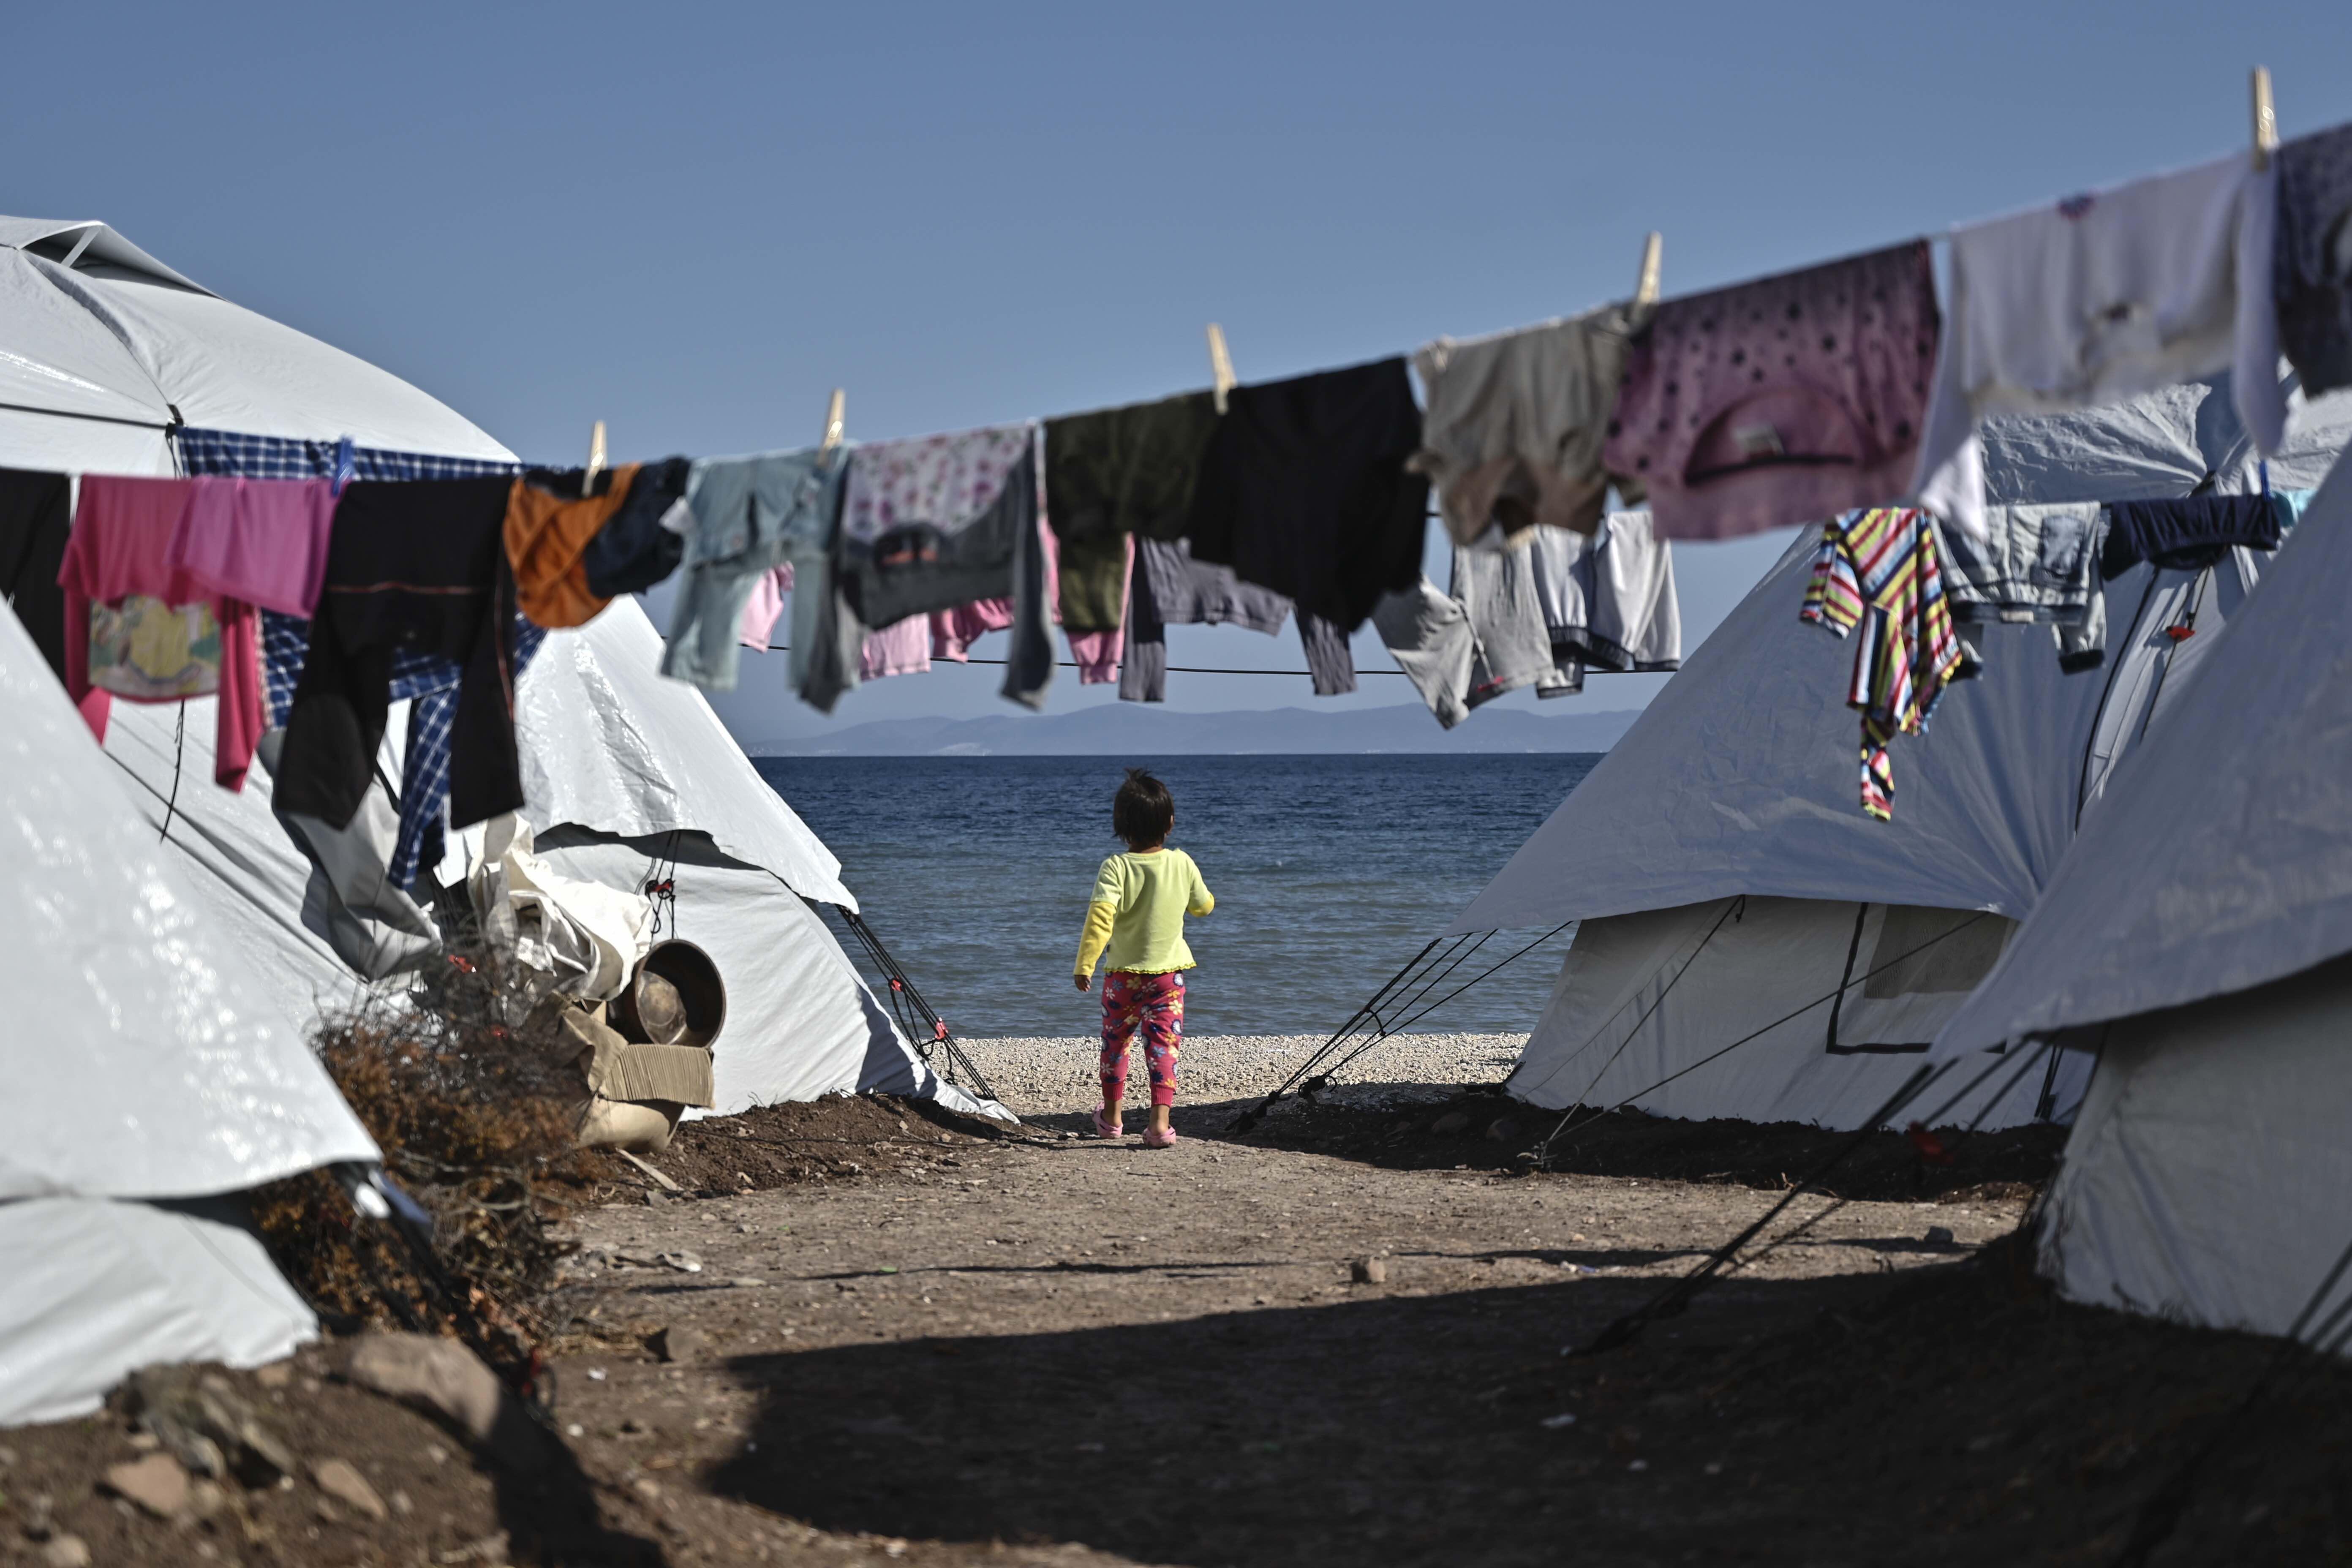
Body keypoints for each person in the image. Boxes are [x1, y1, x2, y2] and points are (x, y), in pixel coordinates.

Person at [1073, 768, 1213, 1148]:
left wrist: (1086, 963)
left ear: (1120, 825)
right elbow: (1204, 906)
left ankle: (1112, 1118)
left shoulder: (1115, 867)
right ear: (1170, 823)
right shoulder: (1182, 863)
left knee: (1115, 1044)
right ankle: (1158, 1125)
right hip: (1170, 976)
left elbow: (1101, 919)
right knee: (1164, 1047)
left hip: (1122, 977)